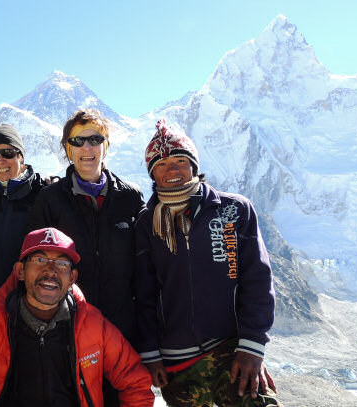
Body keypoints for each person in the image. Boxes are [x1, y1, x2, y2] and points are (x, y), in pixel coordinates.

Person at [134, 118, 280, 406]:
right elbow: (143, 293)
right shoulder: (145, 224)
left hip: (233, 351)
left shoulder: (234, 209)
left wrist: (253, 346)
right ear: (153, 174)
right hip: (176, 361)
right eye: (161, 165)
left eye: (179, 160)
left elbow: (257, 279)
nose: (171, 170)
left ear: (194, 165)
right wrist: (150, 353)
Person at [0, 227, 154, 407]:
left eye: (62, 263)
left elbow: (136, 383)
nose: (51, 271)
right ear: (20, 272)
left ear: (72, 278)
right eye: (39, 260)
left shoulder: (94, 325)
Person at [27, 109, 144, 345]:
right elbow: (35, 262)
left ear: (106, 146)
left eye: (96, 140)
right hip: (68, 324)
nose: (87, 148)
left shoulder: (130, 197)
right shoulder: (50, 199)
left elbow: (146, 263)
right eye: (78, 141)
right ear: (68, 150)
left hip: (124, 326)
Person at [0, 124, 48, 303]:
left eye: (8, 153)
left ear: (21, 156)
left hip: (31, 300)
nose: (0, 160)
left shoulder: (43, 194)